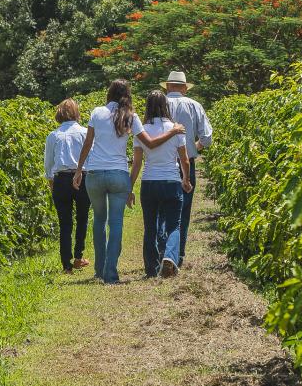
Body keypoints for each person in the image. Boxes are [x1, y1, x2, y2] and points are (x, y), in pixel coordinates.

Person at [72, 80, 185, 284]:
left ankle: (99, 269)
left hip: (95, 173)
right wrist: (174, 130)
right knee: (115, 223)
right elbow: (150, 143)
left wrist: (79, 169)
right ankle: (110, 274)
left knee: (99, 220)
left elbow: (88, 143)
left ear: (109, 93)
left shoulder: (97, 112)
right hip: (118, 174)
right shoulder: (131, 117)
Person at [130, 90, 193, 278]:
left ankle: (151, 269)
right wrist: (186, 179)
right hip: (171, 181)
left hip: (149, 182)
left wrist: (130, 186)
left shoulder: (141, 131)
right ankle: (170, 257)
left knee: (150, 227)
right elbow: (185, 160)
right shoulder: (176, 128)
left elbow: (137, 162)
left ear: (147, 107)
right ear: (166, 106)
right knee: (174, 225)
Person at [160, 71, 212, 268]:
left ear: (167, 87)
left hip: (162, 162)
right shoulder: (194, 105)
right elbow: (207, 138)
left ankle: (162, 250)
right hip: (186, 162)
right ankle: (177, 254)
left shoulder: (159, 104)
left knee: (162, 208)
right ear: (183, 88)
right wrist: (193, 148)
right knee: (183, 209)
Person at [44, 98, 91, 274]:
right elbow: (90, 157)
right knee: (82, 218)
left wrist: (51, 182)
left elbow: (48, 163)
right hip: (82, 177)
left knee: (64, 222)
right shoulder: (85, 133)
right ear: (76, 113)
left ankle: (66, 264)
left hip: (60, 179)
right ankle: (79, 256)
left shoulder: (53, 135)